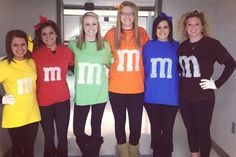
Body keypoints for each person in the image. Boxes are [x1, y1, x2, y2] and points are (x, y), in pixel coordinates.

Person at [177, 10, 236, 157]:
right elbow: (180, 69)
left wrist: (216, 84)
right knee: (190, 129)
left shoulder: (212, 44)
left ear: (203, 26)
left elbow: (231, 64)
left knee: (203, 131)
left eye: (197, 24)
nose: (193, 27)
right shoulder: (182, 47)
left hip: (204, 97)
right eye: (189, 24)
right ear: (185, 27)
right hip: (184, 97)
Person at [104, 1, 149, 157]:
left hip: (137, 88)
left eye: (131, 13)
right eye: (124, 13)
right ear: (119, 15)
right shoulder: (111, 33)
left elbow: (149, 56)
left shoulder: (142, 33)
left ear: (135, 15)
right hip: (116, 88)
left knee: (136, 123)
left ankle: (134, 148)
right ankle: (122, 149)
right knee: (120, 122)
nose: (127, 16)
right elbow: (103, 57)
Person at [68, 12, 112, 157]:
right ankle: (94, 144)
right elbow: (66, 62)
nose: (91, 27)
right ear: (82, 26)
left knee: (96, 126)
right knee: (78, 130)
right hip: (82, 94)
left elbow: (110, 64)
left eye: (94, 24)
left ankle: (93, 152)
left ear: (98, 26)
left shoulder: (104, 46)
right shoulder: (74, 44)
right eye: (87, 24)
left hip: (99, 93)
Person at [32, 18, 74, 157]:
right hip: (44, 102)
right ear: (40, 36)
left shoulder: (67, 52)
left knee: (63, 138)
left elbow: (74, 68)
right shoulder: (35, 55)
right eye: (44, 34)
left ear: (57, 34)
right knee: (48, 138)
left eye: (51, 33)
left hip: (62, 100)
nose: (48, 36)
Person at [143, 12, 179, 157]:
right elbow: (144, 69)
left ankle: (167, 153)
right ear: (154, 29)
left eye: (165, 27)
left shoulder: (177, 46)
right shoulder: (148, 46)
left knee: (168, 129)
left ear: (170, 29)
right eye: (159, 27)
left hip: (171, 97)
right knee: (156, 128)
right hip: (151, 96)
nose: (162, 30)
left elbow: (182, 70)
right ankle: (157, 153)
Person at [0, 30, 41, 157]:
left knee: (29, 148)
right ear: (9, 46)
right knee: (17, 148)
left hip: (32, 113)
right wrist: (2, 99)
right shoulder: (4, 65)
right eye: (15, 45)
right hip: (14, 115)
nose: (20, 48)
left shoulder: (31, 62)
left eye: (23, 44)